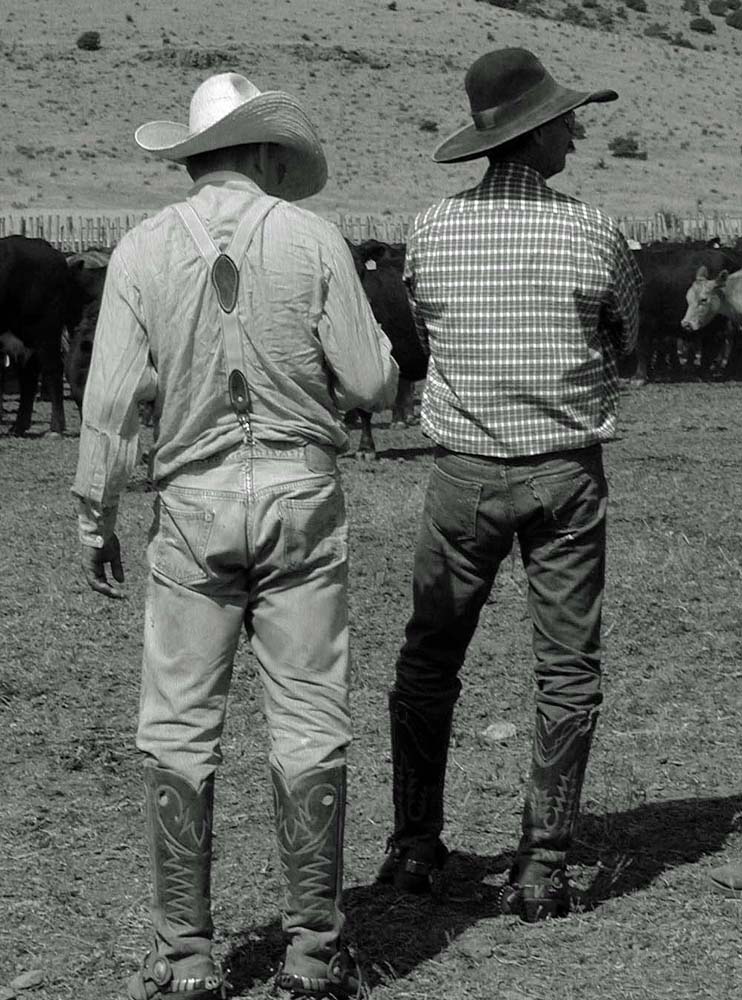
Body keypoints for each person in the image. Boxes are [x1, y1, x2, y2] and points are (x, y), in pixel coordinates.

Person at [72, 72, 397, 999]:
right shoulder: (315, 239)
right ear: (264, 153)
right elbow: (372, 384)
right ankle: (311, 957)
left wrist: (96, 513)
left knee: (178, 729)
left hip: (194, 503)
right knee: (309, 724)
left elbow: (106, 403)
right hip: (301, 495)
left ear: (193, 155)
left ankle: (188, 961)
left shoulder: (141, 249)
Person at [377, 48, 643, 922]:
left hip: (460, 476)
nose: (578, 127)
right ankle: (545, 863)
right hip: (565, 475)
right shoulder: (596, 231)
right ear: (537, 133)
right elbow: (625, 346)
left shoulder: (430, 229)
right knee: (566, 669)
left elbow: (424, 331)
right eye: (569, 118)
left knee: (429, 659)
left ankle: (415, 846)